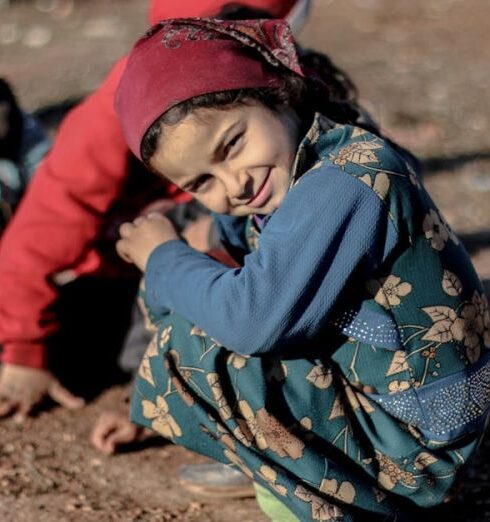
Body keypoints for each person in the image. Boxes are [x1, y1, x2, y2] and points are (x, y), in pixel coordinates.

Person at [113, 17, 490, 521]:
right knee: (197, 293)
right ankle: (278, 461)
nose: (234, 184)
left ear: (276, 94)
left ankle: (320, 491)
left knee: (198, 338)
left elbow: (251, 320)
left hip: (421, 447)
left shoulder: (347, 178)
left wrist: (163, 256)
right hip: (407, 419)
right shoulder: (305, 167)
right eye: (201, 182)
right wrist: (158, 399)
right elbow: (233, 247)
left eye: (231, 145)